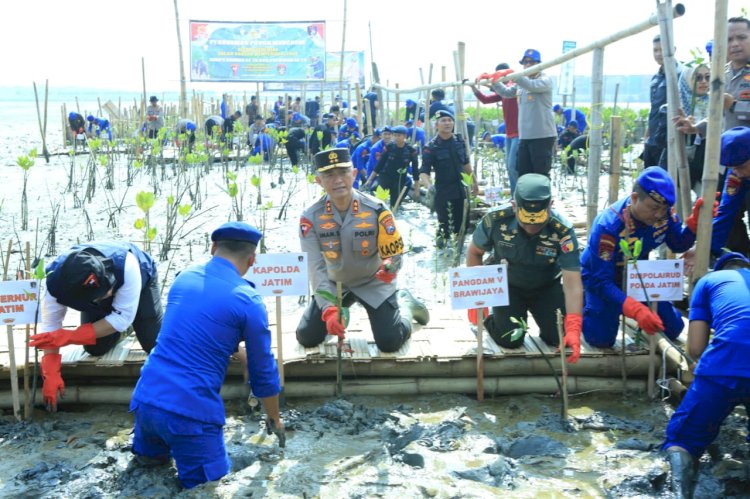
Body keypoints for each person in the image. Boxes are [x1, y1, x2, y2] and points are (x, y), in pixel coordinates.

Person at [129, 222, 283, 490]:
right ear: (252, 259)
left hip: (145, 401)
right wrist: (274, 417)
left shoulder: (183, 278)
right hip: (189, 415)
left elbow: (197, 327)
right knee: (209, 486)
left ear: (213, 248)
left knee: (148, 470)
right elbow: (263, 371)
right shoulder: (248, 300)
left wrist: (237, 350)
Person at [296, 148, 429, 353]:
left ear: (355, 174)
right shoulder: (310, 218)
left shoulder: (377, 210)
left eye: (343, 173)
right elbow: (315, 267)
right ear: (319, 181)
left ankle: (405, 303)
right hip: (335, 284)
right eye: (329, 175)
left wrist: (390, 267)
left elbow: (394, 253)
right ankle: (338, 315)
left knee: (389, 341)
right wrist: (329, 309)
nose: (337, 180)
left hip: (373, 281)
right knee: (307, 336)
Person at [29, 242, 162, 412]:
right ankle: (126, 331)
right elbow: (51, 326)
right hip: (91, 298)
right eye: (104, 296)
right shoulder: (56, 282)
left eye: (109, 291)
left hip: (141, 282)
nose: (109, 295)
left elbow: (121, 318)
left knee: (153, 344)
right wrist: (51, 371)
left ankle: (139, 322)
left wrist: (71, 336)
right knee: (96, 348)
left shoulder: (128, 266)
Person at [580, 167, 704, 348]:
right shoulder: (608, 227)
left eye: (663, 209)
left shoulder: (665, 213)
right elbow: (601, 280)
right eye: (654, 208)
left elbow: (678, 244)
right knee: (601, 339)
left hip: (638, 274)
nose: (658, 215)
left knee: (673, 328)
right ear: (634, 198)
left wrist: (693, 226)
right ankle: (584, 304)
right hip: (602, 278)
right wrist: (635, 308)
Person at [466, 174, 584, 362]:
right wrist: (478, 298)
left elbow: (572, 284)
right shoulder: (495, 221)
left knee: (558, 338)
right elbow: (474, 252)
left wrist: (574, 326)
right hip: (508, 287)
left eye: (538, 220)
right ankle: (492, 322)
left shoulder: (562, 231)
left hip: (546, 287)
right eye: (526, 220)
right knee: (509, 339)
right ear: (514, 206)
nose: (532, 226)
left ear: (550, 205)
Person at [662, 252, 750, 498]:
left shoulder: (709, 282)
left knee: (683, 440)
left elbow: (696, 349)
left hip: (724, 363)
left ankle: (680, 493)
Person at [490, 50, 556, 178]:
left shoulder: (545, 80)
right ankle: (527, 198)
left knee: (540, 173)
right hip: (525, 136)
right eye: (525, 62)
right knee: (523, 172)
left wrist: (513, 75)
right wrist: (494, 81)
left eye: (532, 62)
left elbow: (532, 85)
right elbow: (507, 92)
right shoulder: (521, 83)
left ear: (539, 64)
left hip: (542, 136)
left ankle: (542, 198)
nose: (528, 65)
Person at [419, 109, 478, 248]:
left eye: (450, 120)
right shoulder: (431, 147)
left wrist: (474, 183)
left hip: (461, 189)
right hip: (443, 191)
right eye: (443, 121)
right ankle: (442, 254)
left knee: (462, 223)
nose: (447, 123)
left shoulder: (459, 141)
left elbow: (466, 164)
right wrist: (429, 186)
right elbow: (424, 171)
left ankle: (459, 256)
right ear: (436, 125)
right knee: (444, 224)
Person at [472, 63, 521, 193]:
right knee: (509, 166)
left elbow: (506, 90)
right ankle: (514, 195)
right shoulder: (503, 91)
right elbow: (485, 100)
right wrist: (473, 87)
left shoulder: (514, 87)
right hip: (509, 134)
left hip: (519, 133)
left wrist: (492, 84)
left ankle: (518, 194)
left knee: (512, 166)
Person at [371, 125, 420, 207]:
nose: (396, 138)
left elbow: (415, 171)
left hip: (399, 180)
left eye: (399, 135)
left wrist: (417, 190)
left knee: (395, 205)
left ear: (404, 136)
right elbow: (380, 164)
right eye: (395, 135)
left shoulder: (411, 150)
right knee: (379, 202)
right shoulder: (389, 147)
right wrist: (369, 180)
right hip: (385, 177)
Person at [642, 35, 671, 167]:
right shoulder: (655, 78)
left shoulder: (680, 75)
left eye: (662, 49)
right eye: (655, 50)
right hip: (652, 139)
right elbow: (654, 108)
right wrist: (647, 133)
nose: (659, 54)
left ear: (673, 49)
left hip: (667, 140)